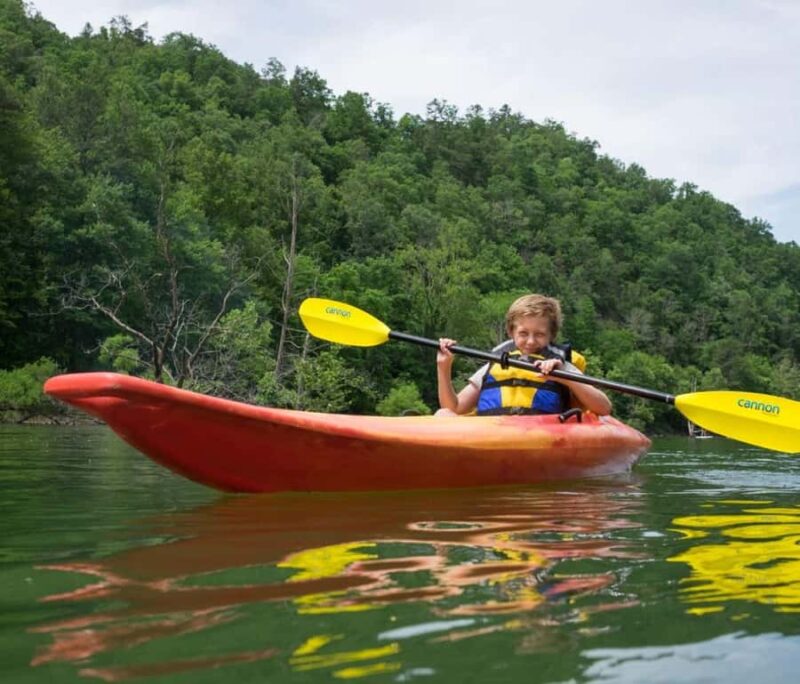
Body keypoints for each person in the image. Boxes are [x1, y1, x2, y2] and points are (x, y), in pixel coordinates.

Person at [436, 294, 611, 416]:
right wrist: (443, 367)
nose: (530, 341)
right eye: (523, 333)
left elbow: (604, 407)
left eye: (540, 334)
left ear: (551, 335)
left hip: (541, 435)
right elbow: (454, 408)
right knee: (443, 414)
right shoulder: (497, 362)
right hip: (492, 432)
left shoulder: (560, 364)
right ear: (511, 332)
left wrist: (564, 377)